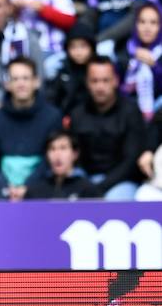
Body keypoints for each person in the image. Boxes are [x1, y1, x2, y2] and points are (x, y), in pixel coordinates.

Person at [69, 56, 147, 200]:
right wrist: (86, 184)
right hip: (85, 179)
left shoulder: (130, 112)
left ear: (115, 81)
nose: (100, 87)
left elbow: (131, 161)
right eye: (95, 81)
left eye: (105, 80)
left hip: (121, 182)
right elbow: (73, 157)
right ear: (87, 82)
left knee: (112, 201)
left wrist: (101, 186)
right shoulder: (77, 114)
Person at [0, 56, 62, 193]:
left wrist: (29, 187)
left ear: (36, 82)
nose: (21, 84)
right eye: (15, 79)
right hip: (1, 192)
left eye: (25, 78)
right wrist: (5, 187)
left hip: (43, 189)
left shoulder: (53, 116)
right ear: (7, 84)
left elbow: (52, 159)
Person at [24, 130, 102, 199]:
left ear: (75, 154)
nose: (57, 154)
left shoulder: (88, 189)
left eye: (63, 148)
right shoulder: (36, 190)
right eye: (52, 149)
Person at [121, 3, 162, 121]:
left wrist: (154, 66)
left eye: (153, 23)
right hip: (127, 115)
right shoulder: (123, 49)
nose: (147, 28)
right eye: (142, 22)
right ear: (135, 25)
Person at [46, 22, 95, 120]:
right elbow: (53, 100)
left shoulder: (98, 70)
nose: (78, 52)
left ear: (92, 47)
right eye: (73, 47)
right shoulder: (63, 73)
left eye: (83, 46)